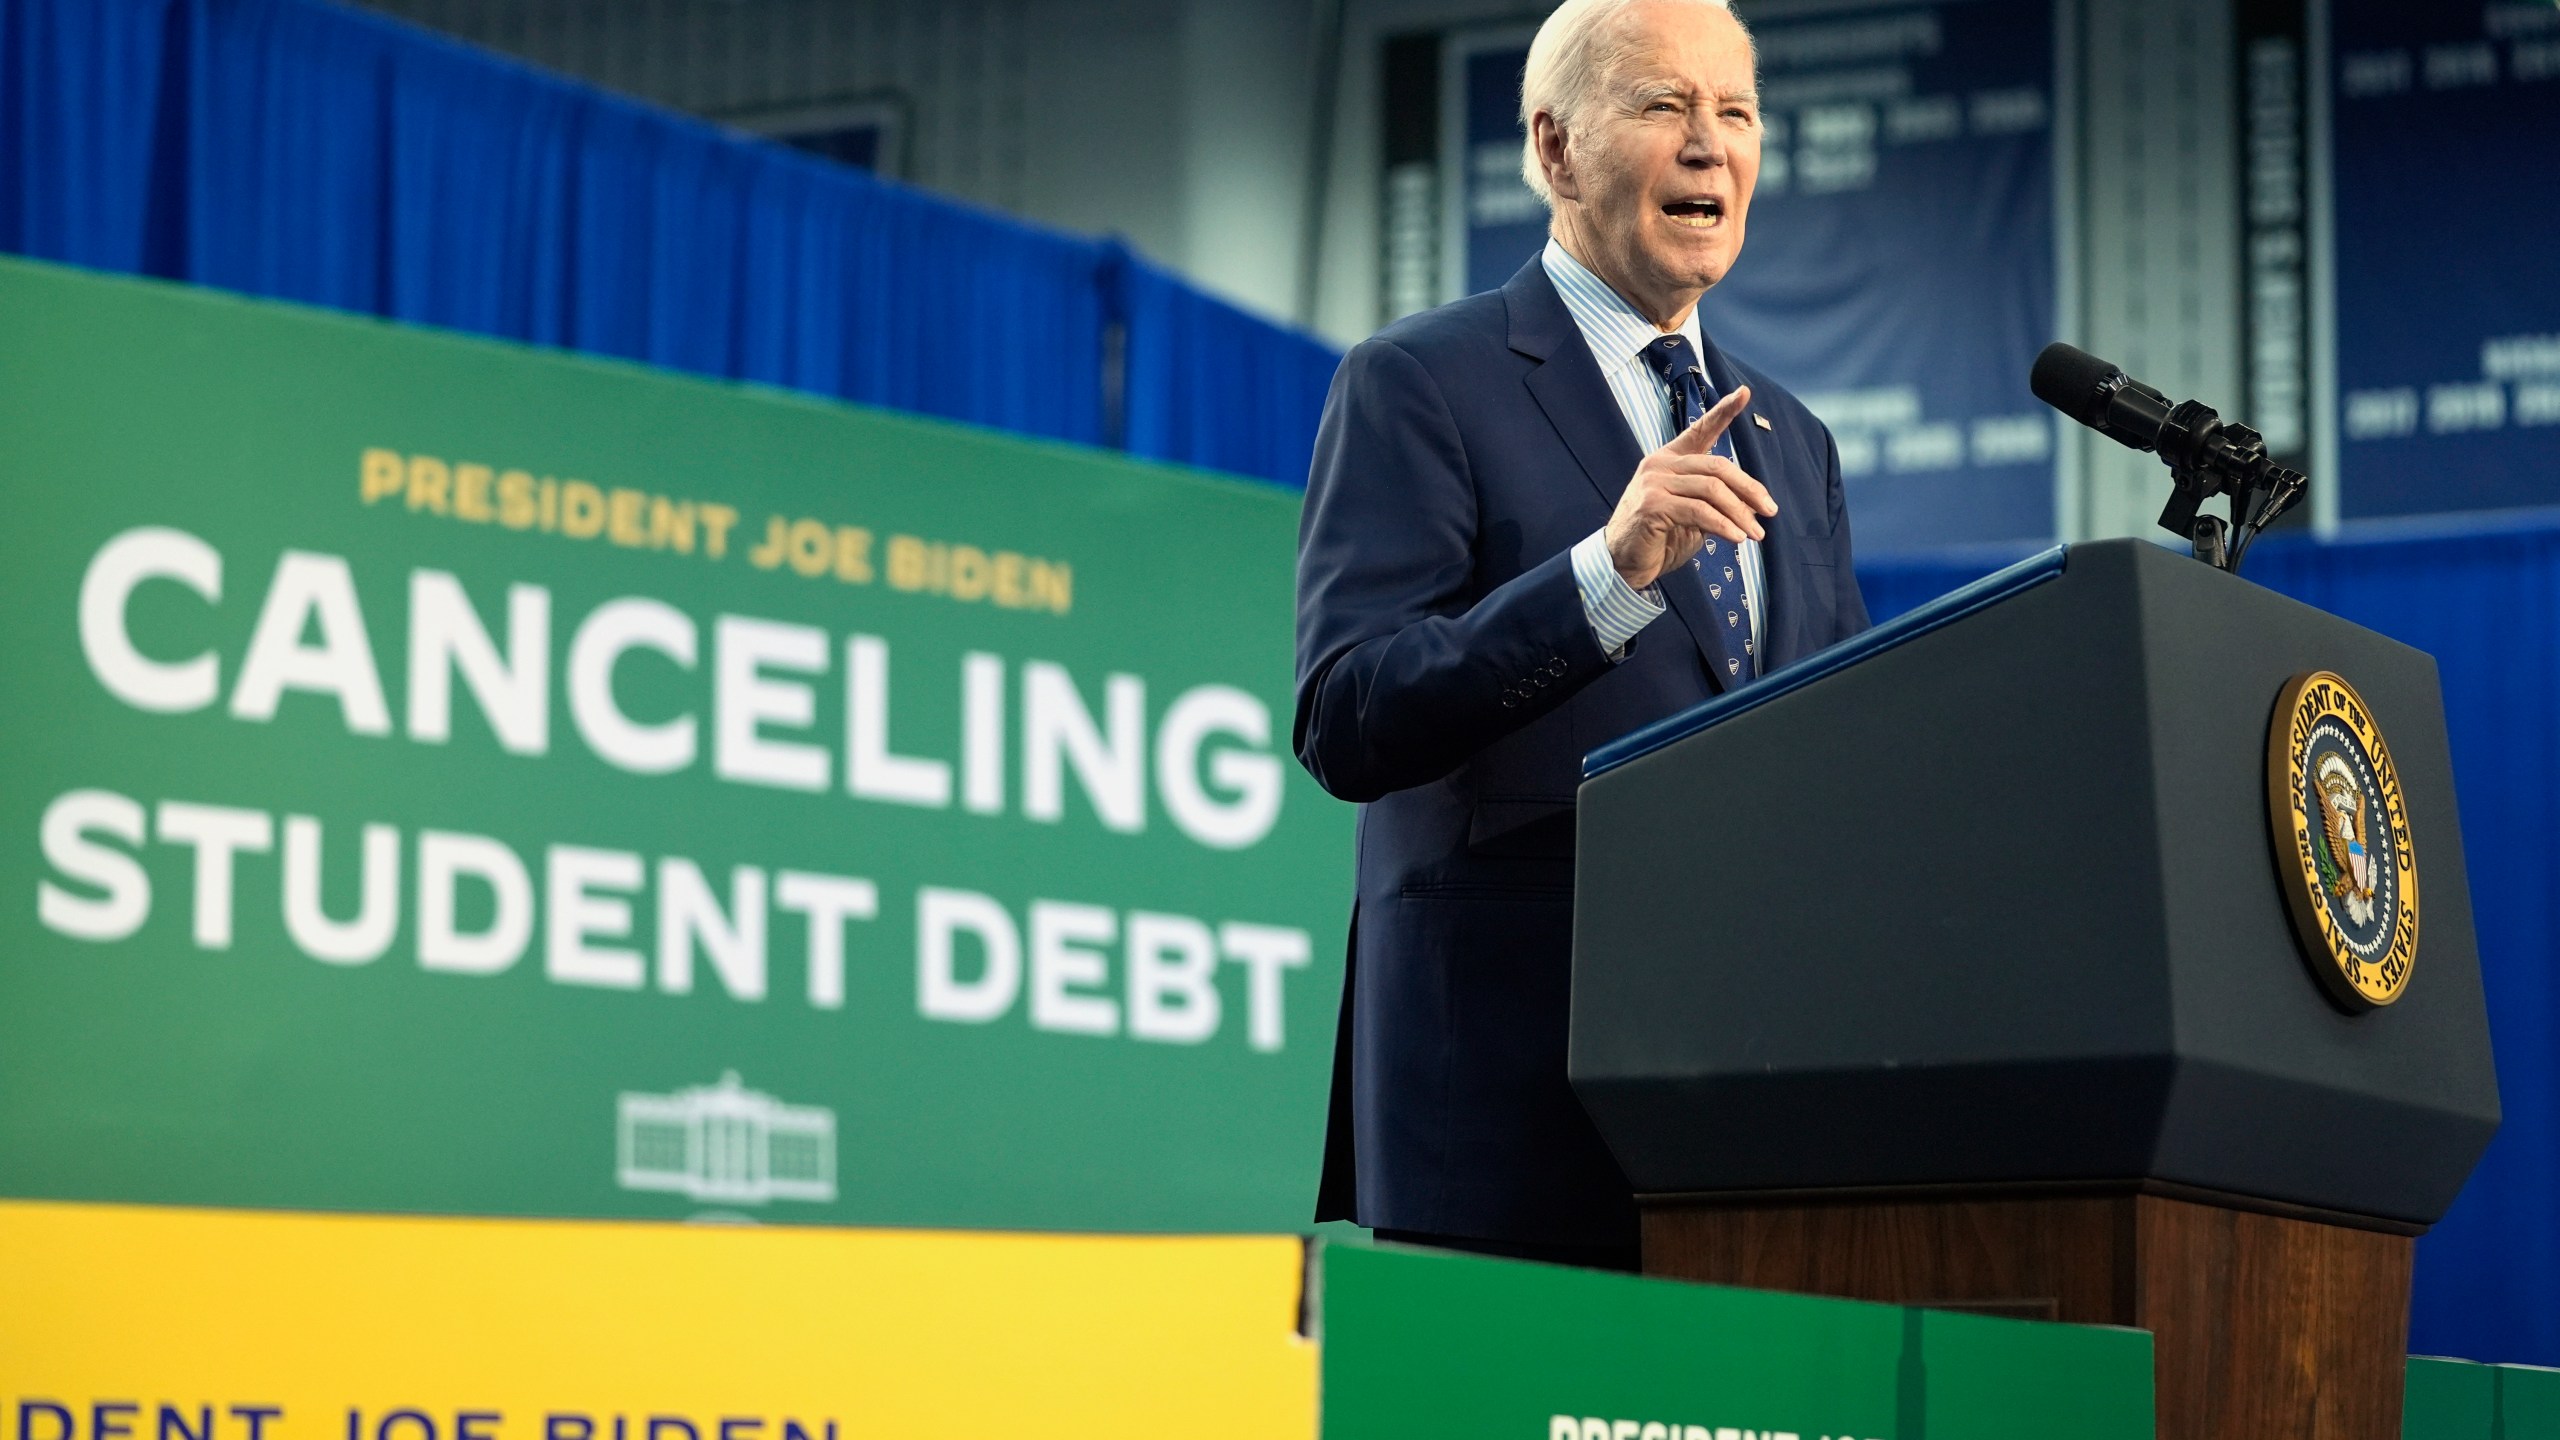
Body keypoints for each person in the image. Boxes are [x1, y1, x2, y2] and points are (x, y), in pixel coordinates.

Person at [1293, 0, 1871, 1268]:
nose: (1710, 146)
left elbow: (1841, 744)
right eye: (1664, 106)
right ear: (1554, 151)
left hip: (1749, 1122)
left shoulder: (1791, 436)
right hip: (1504, 1116)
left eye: (1736, 112)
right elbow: (1347, 714)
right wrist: (1601, 577)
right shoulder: (1421, 381)